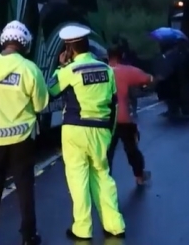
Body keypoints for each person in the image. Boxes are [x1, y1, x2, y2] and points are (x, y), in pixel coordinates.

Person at [0, 20, 47, 245]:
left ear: (3, 41)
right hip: (22, 139)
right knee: (24, 188)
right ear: (25, 44)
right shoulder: (29, 68)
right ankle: (28, 237)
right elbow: (41, 104)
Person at [48, 24, 125, 241]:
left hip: (75, 130)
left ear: (69, 49)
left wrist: (60, 67)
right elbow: (114, 104)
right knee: (103, 176)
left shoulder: (69, 71)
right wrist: (109, 134)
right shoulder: (106, 69)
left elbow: (50, 91)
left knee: (78, 179)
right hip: (101, 131)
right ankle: (115, 225)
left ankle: (82, 229)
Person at [106, 47, 152, 186]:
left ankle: (104, 182)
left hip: (105, 119)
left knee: (107, 153)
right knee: (131, 149)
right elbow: (148, 78)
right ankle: (139, 176)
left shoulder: (101, 71)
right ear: (122, 55)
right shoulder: (127, 71)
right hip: (123, 118)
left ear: (108, 56)